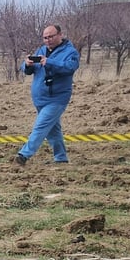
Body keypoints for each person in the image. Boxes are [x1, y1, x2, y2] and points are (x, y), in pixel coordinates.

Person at [15, 24, 80, 166]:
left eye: (51, 36)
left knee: (41, 126)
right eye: (45, 37)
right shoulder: (41, 50)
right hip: (40, 99)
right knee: (53, 130)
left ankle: (24, 155)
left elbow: (69, 68)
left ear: (60, 35)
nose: (48, 40)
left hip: (57, 98)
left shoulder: (71, 52)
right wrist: (27, 64)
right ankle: (61, 158)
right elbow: (26, 70)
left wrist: (49, 62)